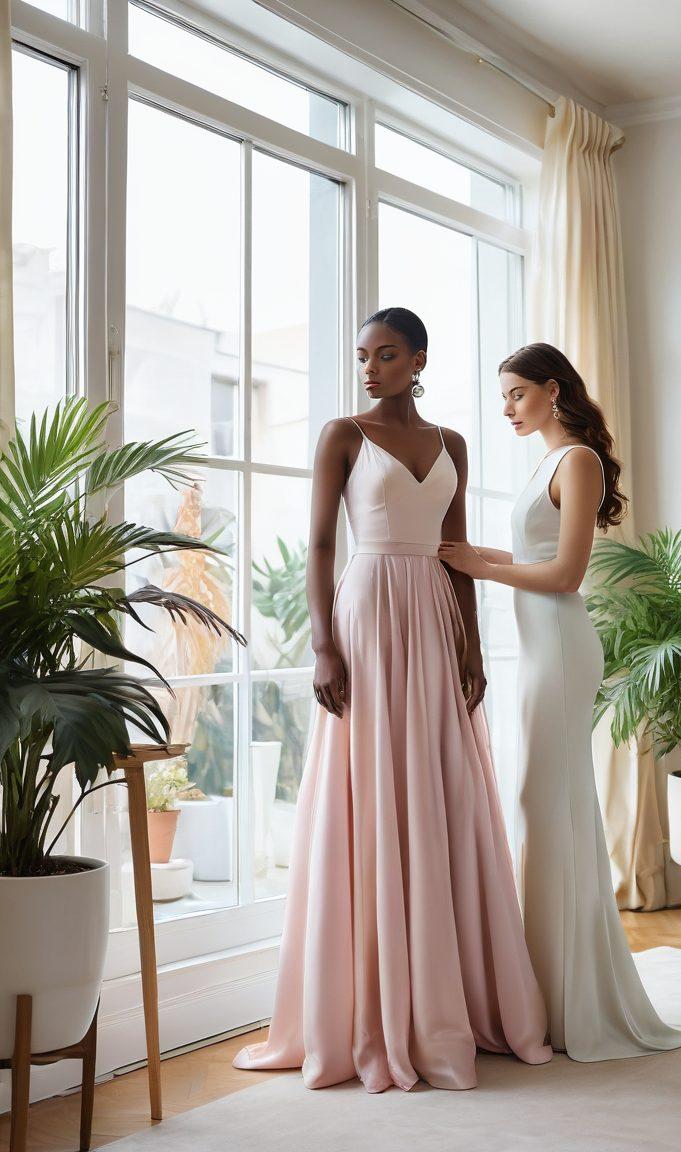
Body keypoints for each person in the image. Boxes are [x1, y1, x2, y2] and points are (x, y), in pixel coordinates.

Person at [233, 310, 551, 1092]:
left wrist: (472, 644)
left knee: (441, 790)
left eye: (386, 355)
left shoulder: (455, 445)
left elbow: (457, 551)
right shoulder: (342, 433)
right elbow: (318, 545)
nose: (370, 368)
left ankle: (447, 998)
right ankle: (370, 1008)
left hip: (436, 618)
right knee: (369, 789)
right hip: (367, 614)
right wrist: (320, 643)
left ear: (419, 360)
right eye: (362, 356)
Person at [439, 342, 681, 1062]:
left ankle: (572, 1000)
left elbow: (564, 574)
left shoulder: (577, 460)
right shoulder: (546, 464)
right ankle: (546, 992)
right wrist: (474, 558)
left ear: (553, 391)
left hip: (560, 650)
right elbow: (534, 559)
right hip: (537, 654)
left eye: (517, 394)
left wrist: (483, 569)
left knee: (546, 808)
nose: (507, 408)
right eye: (503, 397)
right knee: (547, 810)